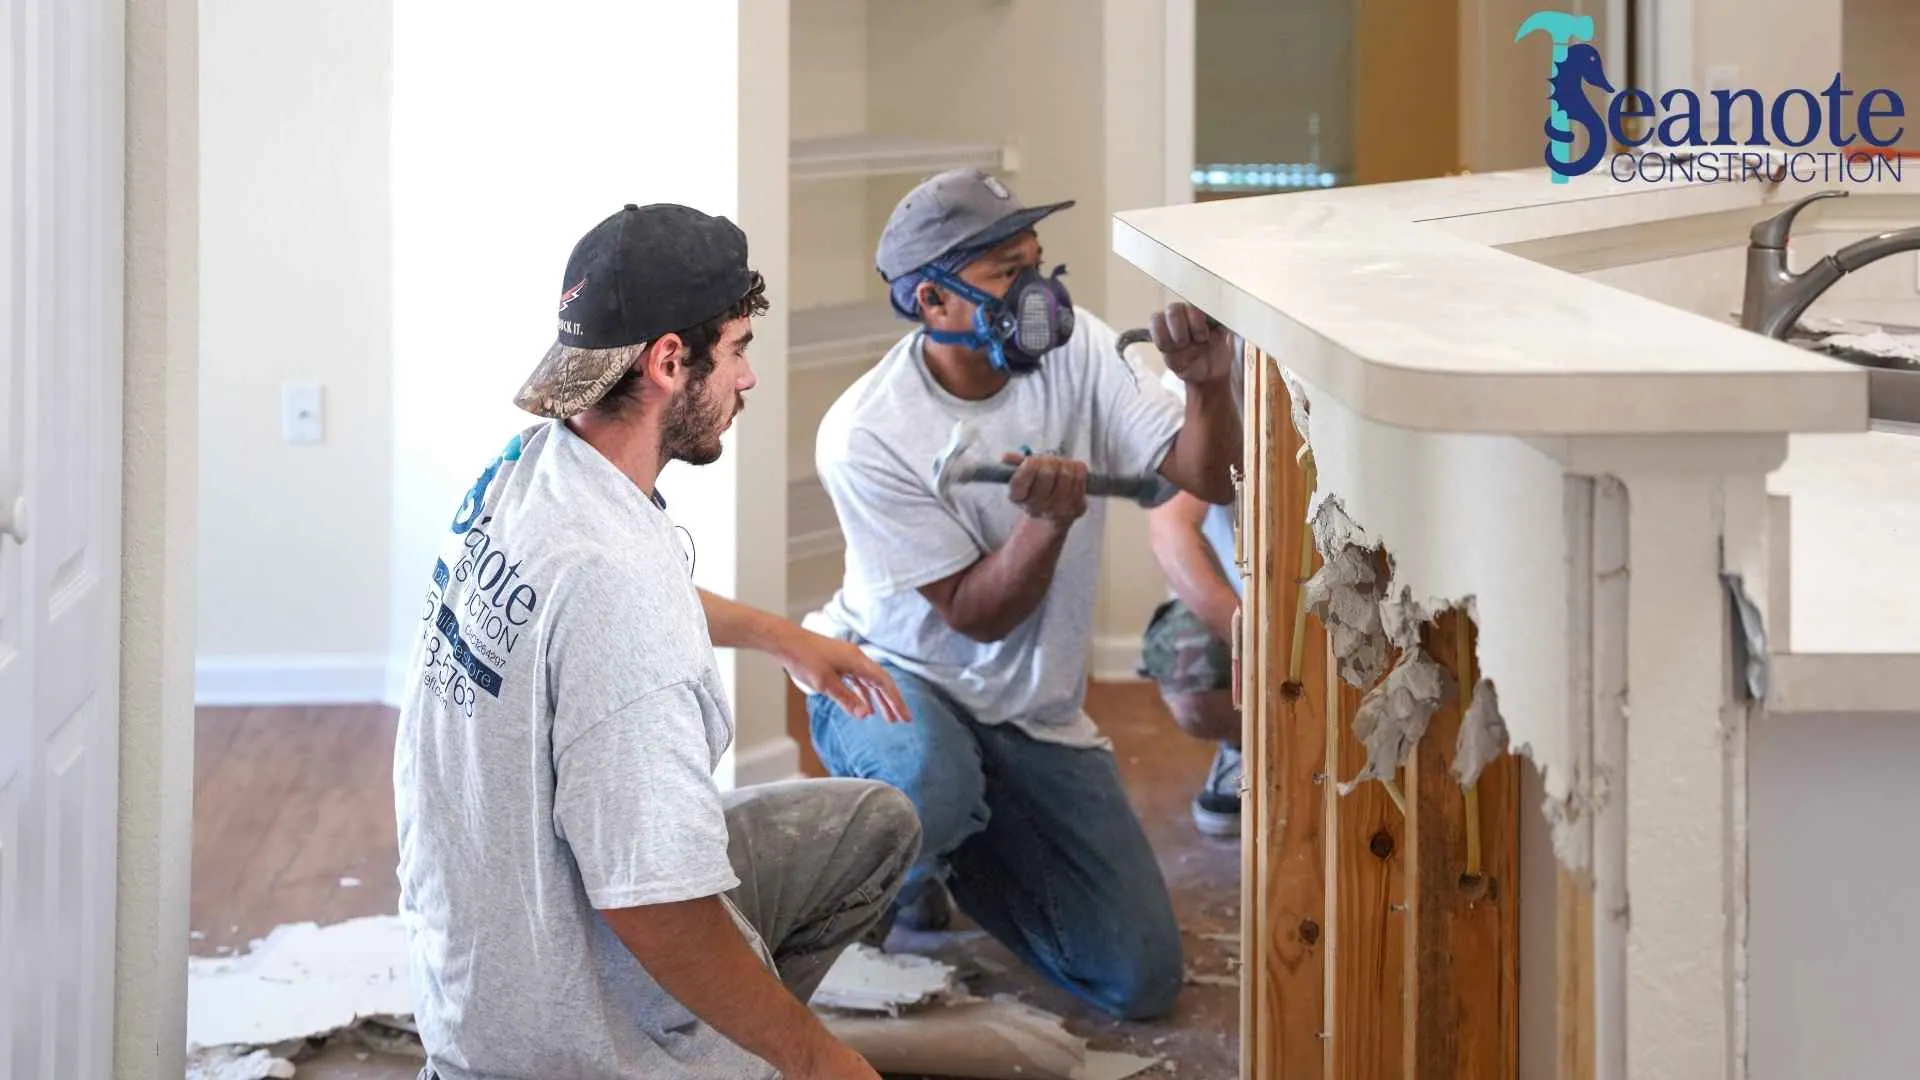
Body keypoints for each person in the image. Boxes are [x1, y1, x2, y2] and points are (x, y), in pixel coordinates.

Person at [393, 202, 925, 1080]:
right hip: (566, 1039)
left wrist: (777, 635)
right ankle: (704, 1056)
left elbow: (581, 613)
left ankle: (724, 1039)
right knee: (768, 1012)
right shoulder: (621, 598)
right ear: (672, 361)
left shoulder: (526, 473)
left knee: (872, 823)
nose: (748, 379)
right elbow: (658, 908)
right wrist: (816, 1059)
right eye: (740, 348)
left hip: (482, 980)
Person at [798, 167, 1240, 1022]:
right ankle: (859, 888)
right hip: (893, 680)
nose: (1038, 291)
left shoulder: (1077, 354)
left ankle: (935, 855)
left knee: (1137, 980)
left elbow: (1207, 477)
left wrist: (1207, 385)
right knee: (930, 776)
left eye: (1037, 262)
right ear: (933, 301)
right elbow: (977, 615)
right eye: (1006, 273)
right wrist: (1046, 525)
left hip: (1030, 711)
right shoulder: (867, 434)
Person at [1139, 359, 1246, 838]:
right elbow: (1171, 527)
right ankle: (1247, 744)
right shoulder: (1212, 366)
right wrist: (1247, 638)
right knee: (1193, 673)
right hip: (1248, 608)